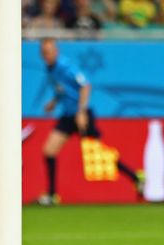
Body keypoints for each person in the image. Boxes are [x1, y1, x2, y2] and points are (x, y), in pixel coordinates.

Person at [37, 38, 145, 205]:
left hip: (81, 115)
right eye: (44, 52)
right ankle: (52, 195)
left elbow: (85, 86)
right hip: (67, 116)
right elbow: (64, 89)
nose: (47, 55)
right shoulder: (49, 69)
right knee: (49, 151)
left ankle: (136, 177)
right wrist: (54, 101)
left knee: (97, 153)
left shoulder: (65, 67)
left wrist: (81, 112)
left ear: (56, 52)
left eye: (49, 51)